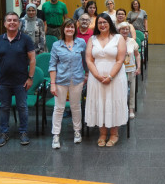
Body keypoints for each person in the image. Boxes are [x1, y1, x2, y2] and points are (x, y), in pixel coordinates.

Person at [0, 12, 36, 147]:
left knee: (22, 107)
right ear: (4, 23)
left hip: (21, 81)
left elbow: (32, 59)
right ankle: (3, 133)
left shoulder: (26, 39)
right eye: (9, 20)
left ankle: (23, 132)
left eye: (15, 20)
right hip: (3, 81)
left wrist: (30, 78)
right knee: (4, 107)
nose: (12, 22)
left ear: (19, 23)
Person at [85, 13, 127, 147]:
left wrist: (110, 76)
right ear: (97, 25)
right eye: (100, 23)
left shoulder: (118, 38)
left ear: (110, 23)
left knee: (113, 101)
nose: (102, 25)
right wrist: (97, 76)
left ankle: (114, 134)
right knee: (100, 102)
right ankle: (102, 134)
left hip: (115, 77)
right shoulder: (92, 39)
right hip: (96, 77)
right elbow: (89, 59)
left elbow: (120, 59)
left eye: (105, 22)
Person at [48, 19, 87, 149]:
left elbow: (85, 61)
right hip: (60, 80)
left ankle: (77, 131)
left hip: (77, 79)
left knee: (76, 106)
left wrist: (86, 74)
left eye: (72, 27)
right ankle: (56, 135)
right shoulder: (56, 45)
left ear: (75, 29)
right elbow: (52, 65)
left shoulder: (81, 43)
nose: (70, 29)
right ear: (63, 29)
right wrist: (52, 83)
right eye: (67, 27)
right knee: (59, 108)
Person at [117, 22, 140, 119]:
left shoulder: (132, 41)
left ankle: (131, 109)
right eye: (123, 29)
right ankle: (121, 109)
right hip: (118, 70)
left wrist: (138, 67)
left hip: (130, 69)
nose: (125, 31)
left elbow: (137, 54)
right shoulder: (115, 41)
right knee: (120, 91)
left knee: (132, 91)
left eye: (127, 29)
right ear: (119, 30)